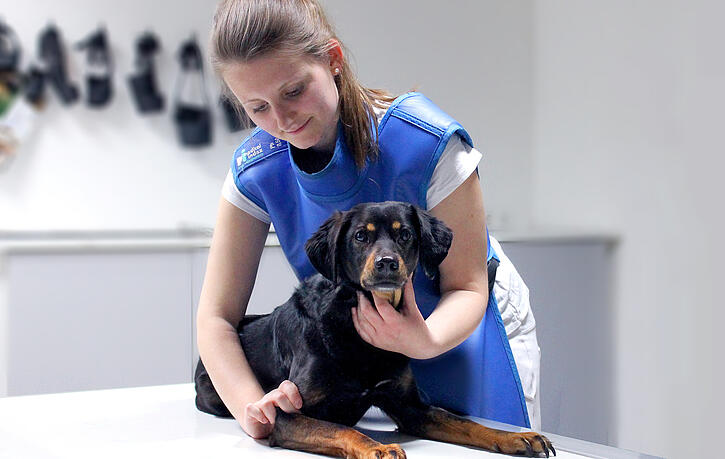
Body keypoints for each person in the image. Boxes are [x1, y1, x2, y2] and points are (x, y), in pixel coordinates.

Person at [197, 0, 542, 440]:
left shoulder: (428, 143)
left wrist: (424, 341)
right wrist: (253, 408)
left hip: (465, 317)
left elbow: (468, 285)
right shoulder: (255, 168)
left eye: (294, 91)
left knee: (492, 443)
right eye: (258, 107)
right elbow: (216, 319)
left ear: (333, 60)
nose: (281, 120)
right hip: (364, 338)